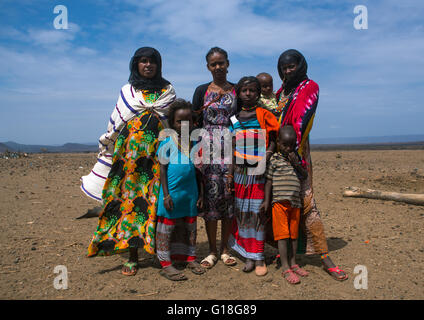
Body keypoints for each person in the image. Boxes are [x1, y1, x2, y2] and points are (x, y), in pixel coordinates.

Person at [86, 47, 176, 277]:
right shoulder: (128, 91)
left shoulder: (168, 91)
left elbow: (172, 124)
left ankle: (160, 252)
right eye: (143, 61)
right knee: (128, 204)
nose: (148, 65)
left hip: (157, 160)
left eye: (152, 61)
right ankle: (132, 256)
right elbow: (116, 123)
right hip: (127, 159)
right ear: (136, 65)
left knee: (154, 204)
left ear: (159, 65)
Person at [272, 49, 348, 281]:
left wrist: (295, 157)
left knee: (307, 203)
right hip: (278, 155)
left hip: (297, 154)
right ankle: (286, 255)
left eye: (292, 66)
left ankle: (324, 257)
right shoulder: (280, 91)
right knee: (280, 203)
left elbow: (301, 121)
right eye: (284, 67)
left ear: (301, 65)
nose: (287, 71)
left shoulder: (309, 87)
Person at [227, 76, 279, 276]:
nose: (248, 94)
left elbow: (273, 139)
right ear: (238, 93)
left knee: (257, 213)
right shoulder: (234, 118)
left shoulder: (264, 115)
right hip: (240, 172)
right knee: (243, 213)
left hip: (259, 170)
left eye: (252, 90)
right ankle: (248, 255)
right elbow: (233, 148)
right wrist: (230, 175)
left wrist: (267, 154)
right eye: (244, 90)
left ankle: (259, 256)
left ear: (258, 93)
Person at [192, 47, 238, 269]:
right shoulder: (201, 90)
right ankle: (211, 251)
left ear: (228, 64)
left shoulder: (238, 90)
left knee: (229, 198)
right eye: (213, 64)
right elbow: (193, 121)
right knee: (210, 200)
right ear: (208, 67)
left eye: (221, 63)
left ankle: (226, 249)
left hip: (231, 149)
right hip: (207, 150)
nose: (218, 67)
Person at [156, 99, 205, 281]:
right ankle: (165, 263)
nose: (184, 124)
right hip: (172, 194)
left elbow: (199, 172)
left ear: (193, 122)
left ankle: (190, 258)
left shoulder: (194, 143)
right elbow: (162, 169)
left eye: (188, 121)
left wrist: (201, 194)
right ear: (172, 122)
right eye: (179, 121)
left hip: (190, 194)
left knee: (190, 227)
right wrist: (166, 194)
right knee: (166, 229)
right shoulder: (167, 142)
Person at [262, 125, 309, 284]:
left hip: (295, 204)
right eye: (284, 145)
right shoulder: (274, 159)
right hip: (279, 204)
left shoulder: (296, 157)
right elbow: (268, 181)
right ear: (278, 142)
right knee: (282, 237)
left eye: (291, 145)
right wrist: (267, 201)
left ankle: (294, 263)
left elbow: (304, 175)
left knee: (294, 236)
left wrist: (296, 163)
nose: (288, 148)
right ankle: (285, 268)